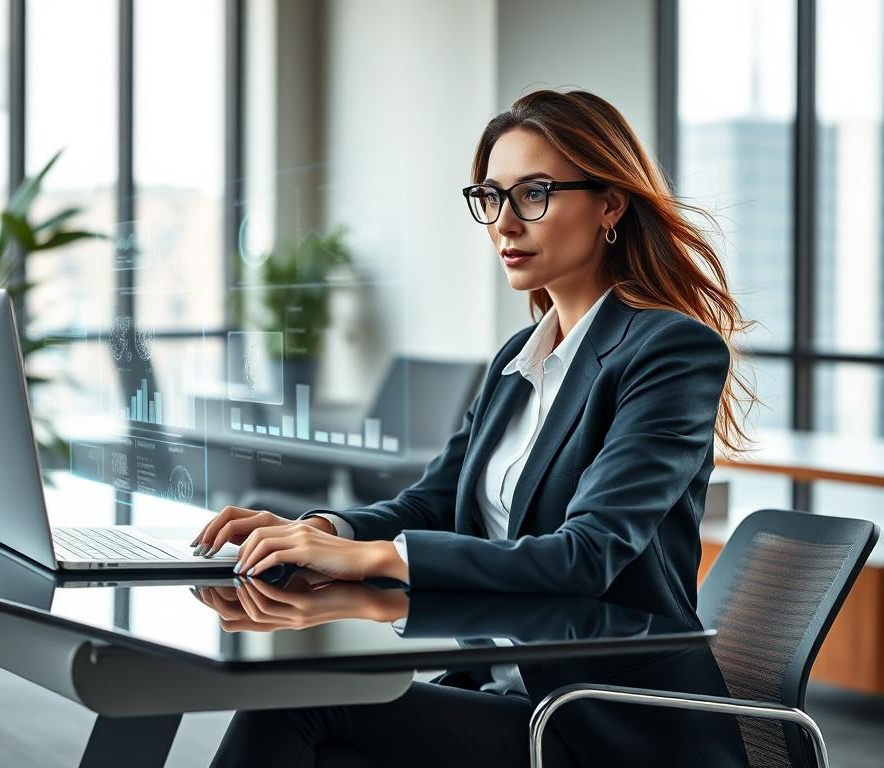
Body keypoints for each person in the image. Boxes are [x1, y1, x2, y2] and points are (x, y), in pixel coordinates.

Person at [198, 89, 755, 768]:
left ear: (611, 205)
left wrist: (373, 559)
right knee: (312, 722)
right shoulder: (516, 363)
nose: (504, 224)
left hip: (604, 723)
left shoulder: (668, 350)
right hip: (505, 693)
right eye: (491, 198)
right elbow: (436, 502)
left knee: (300, 701)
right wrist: (324, 533)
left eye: (534, 194)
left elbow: (586, 554)